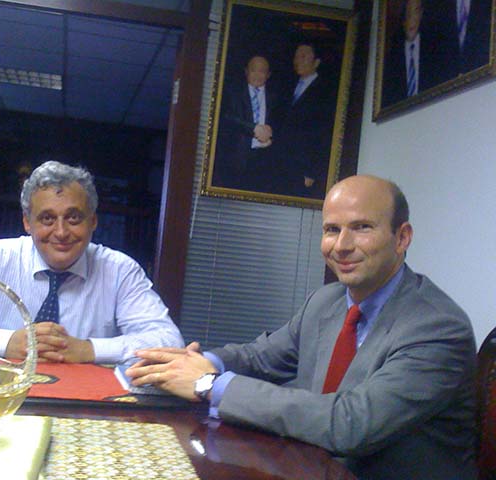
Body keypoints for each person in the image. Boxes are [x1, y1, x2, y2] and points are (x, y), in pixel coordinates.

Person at [126, 175, 477, 479]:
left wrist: (208, 384)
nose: (342, 246)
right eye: (332, 230)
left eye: (362, 228)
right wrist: (194, 365)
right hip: (310, 468)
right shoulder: (326, 301)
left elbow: (349, 424)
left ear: (402, 237)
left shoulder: (437, 328)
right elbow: (260, 357)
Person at [0, 161, 184, 364]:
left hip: (86, 407)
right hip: (1, 396)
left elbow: (169, 341)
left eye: (74, 217)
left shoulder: (120, 270)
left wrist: (89, 349)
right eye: (47, 219)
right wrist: (6, 342)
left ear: (93, 221)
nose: (61, 232)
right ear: (27, 222)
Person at [272, 42, 336, 198]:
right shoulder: (287, 85)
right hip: (281, 160)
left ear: (316, 62)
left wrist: (312, 171)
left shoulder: (326, 91)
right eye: (296, 56)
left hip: (304, 167)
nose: (298, 61)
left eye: (303, 56)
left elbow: (324, 133)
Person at [212, 55, 278, 192]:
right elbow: (227, 118)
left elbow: (283, 125)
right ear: (246, 71)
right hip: (236, 160)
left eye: (262, 71)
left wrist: (272, 137)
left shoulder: (276, 97)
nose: (257, 75)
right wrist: (253, 128)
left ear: (268, 75)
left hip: (265, 160)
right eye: (253, 70)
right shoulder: (233, 93)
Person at [382, 0, 452, 107]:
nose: (411, 19)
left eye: (416, 11)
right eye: (407, 13)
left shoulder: (435, 51)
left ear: (421, 14)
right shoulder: (393, 58)